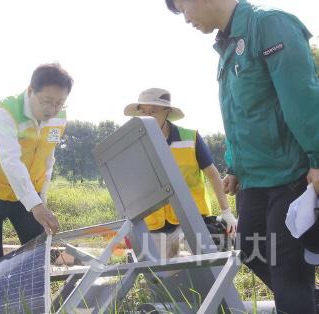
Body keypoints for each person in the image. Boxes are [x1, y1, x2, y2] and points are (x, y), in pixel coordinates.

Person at [165, 0, 319, 312]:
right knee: (250, 249)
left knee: (287, 271)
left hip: (291, 176)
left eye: (184, 8)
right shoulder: (226, 49)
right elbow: (238, 116)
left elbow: (301, 96)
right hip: (255, 181)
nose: (186, 19)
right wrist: (234, 166)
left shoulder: (270, 26)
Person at [0, 63, 73, 271]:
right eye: (47, 101)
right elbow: (11, 161)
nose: (52, 109)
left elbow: (48, 159)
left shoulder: (58, 119)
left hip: (26, 191)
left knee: (38, 246)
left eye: (59, 103)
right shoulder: (5, 112)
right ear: (31, 90)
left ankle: (34, 298)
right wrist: (35, 205)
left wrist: (41, 200)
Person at [124, 87, 237, 259]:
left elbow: (213, 174)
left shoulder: (190, 138)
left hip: (191, 216)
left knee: (209, 262)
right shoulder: (134, 143)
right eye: (143, 112)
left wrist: (226, 212)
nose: (147, 116)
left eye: (153, 111)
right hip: (154, 221)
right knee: (163, 277)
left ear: (167, 112)